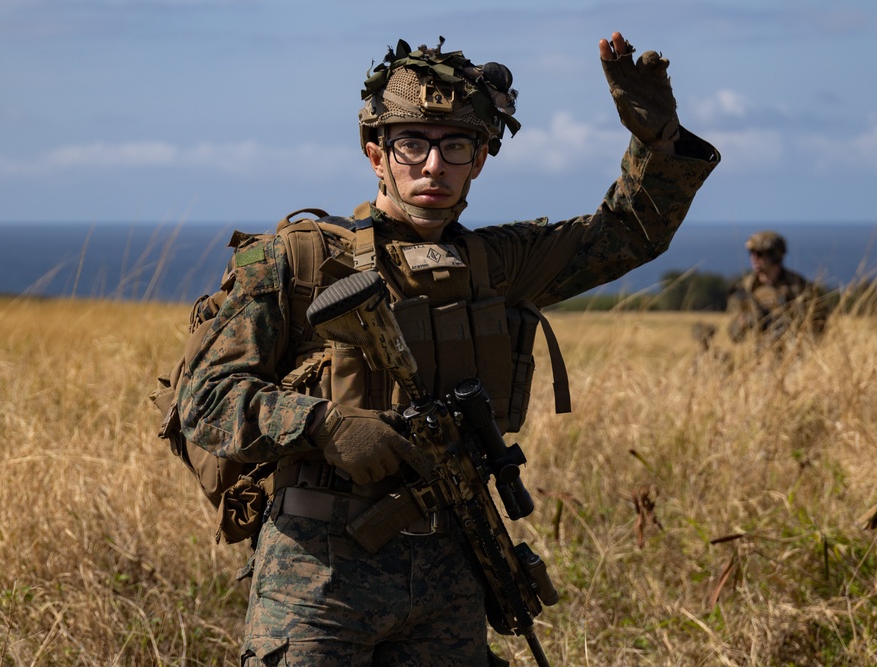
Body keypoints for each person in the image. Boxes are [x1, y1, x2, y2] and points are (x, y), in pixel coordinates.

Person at [177, 33, 719, 666]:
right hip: (317, 574)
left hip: (451, 569)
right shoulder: (294, 260)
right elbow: (206, 398)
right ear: (376, 154)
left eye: (455, 146)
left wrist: (657, 141)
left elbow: (629, 233)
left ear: (480, 160)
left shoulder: (497, 262)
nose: (433, 166)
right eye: (412, 144)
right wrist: (321, 424)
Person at [726, 230, 831, 350]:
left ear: (774, 255)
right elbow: (734, 335)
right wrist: (745, 322)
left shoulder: (798, 286)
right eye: (751, 253)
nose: (754, 258)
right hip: (757, 356)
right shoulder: (744, 289)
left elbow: (819, 321)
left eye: (760, 254)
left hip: (793, 354)